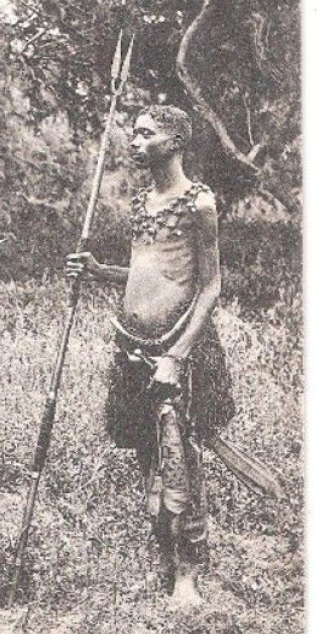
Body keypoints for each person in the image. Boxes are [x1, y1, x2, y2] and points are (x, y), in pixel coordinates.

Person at [66, 105, 234, 607]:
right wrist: (98, 271)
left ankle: (188, 575)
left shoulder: (198, 203)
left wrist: (177, 356)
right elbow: (148, 274)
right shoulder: (143, 201)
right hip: (133, 347)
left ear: (176, 140)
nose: (134, 141)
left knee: (180, 461)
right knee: (148, 459)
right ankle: (164, 562)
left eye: (146, 134)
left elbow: (210, 285)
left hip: (175, 349)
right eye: (133, 132)